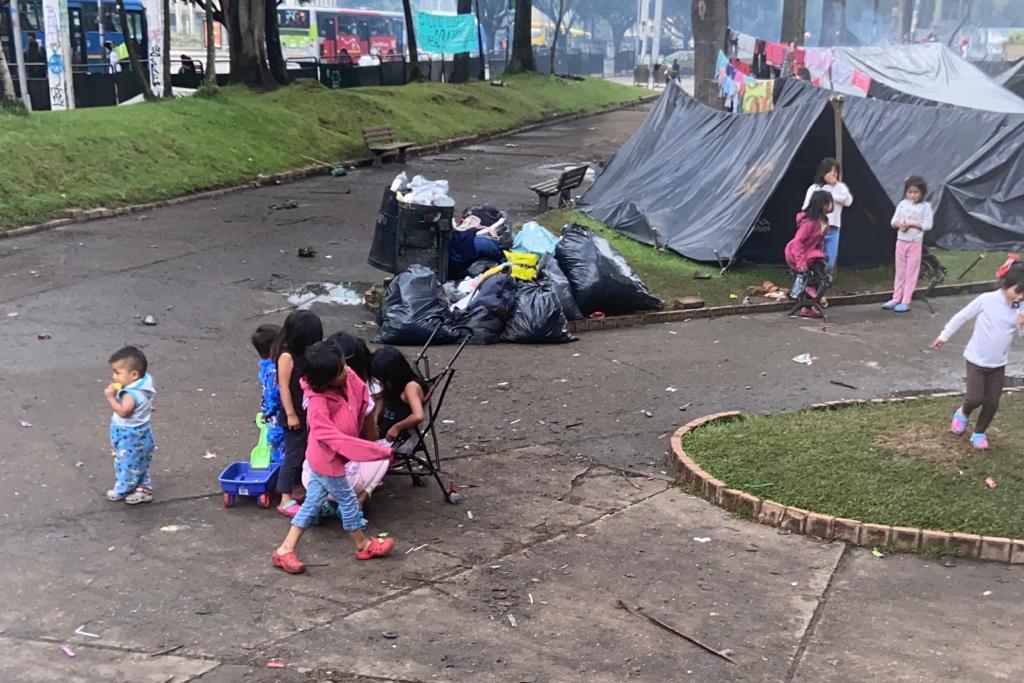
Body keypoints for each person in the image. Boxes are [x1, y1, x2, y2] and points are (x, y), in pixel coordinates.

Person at [272, 342, 396, 574]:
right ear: (325, 380)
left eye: (344, 365)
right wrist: (379, 451)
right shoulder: (318, 403)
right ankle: (363, 545)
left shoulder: (344, 378)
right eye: (340, 370)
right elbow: (337, 440)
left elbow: (359, 393)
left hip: (328, 460)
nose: (346, 371)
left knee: (310, 505)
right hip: (327, 462)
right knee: (348, 502)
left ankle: (284, 550)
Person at [931, 266, 1024, 450]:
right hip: (976, 359)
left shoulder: (1020, 308)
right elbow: (961, 316)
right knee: (974, 398)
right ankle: (962, 413)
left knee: (992, 401)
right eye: (1018, 292)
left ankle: (979, 432)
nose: (1020, 297)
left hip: (998, 363)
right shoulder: (987, 300)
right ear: (1006, 285)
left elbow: (1022, 335)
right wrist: (944, 336)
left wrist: (1022, 325)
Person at [273, 310, 324, 517]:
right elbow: (283, 387)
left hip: (307, 412)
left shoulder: (304, 353)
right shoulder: (286, 356)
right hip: (293, 414)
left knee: (305, 451)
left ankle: (297, 487)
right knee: (294, 454)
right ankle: (284, 497)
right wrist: (291, 414)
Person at [105, 346, 156, 505]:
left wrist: (111, 397)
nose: (114, 377)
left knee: (127, 462)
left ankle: (123, 488)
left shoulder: (131, 394)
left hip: (130, 434)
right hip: (141, 432)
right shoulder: (143, 384)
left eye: (117, 373)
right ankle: (143, 488)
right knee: (138, 462)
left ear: (133, 375)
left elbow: (124, 412)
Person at [883, 176, 933, 313]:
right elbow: (893, 221)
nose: (912, 195)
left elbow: (927, 225)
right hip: (901, 241)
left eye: (916, 192)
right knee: (900, 271)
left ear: (922, 193)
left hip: (915, 243)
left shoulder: (925, 206)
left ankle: (905, 300)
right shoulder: (902, 204)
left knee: (911, 272)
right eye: (910, 192)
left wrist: (912, 224)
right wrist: (900, 225)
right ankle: (895, 298)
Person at [785, 190, 833, 319]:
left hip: (812, 253)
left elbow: (819, 242)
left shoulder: (824, 221)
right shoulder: (810, 223)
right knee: (813, 275)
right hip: (797, 254)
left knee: (821, 272)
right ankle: (809, 303)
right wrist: (801, 263)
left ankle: (811, 302)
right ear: (823, 204)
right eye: (829, 203)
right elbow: (798, 242)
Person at [802, 158, 853, 272]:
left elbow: (848, 201)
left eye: (835, 172)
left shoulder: (840, 187)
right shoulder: (815, 188)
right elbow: (805, 206)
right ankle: (812, 282)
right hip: (817, 228)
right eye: (830, 171)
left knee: (829, 261)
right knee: (814, 257)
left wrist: (831, 194)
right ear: (823, 172)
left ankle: (822, 281)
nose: (833, 174)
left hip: (833, 228)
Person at [371, 346, 427, 443]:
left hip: (398, 439)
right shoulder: (393, 387)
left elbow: (418, 416)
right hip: (383, 430)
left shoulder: (410, 387)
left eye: (383, 380)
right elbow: (381, 399)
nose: (381, 383)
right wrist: (374, 420)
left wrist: (397, 427)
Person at [252, 324, 284, 462]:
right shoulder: (274, 371)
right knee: (281, 442)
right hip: (276, 414)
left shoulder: (266, 368)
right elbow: (275, 396)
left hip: (270, 414)